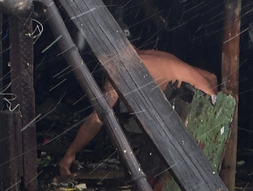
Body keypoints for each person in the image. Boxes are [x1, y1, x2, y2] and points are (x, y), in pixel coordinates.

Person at [58, 50, 218, 178]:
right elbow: (211, 77)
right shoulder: (146, 55)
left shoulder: (118, 67)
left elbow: (96, 119)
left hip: (197, 113)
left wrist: (70, 154)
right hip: (214, 103)